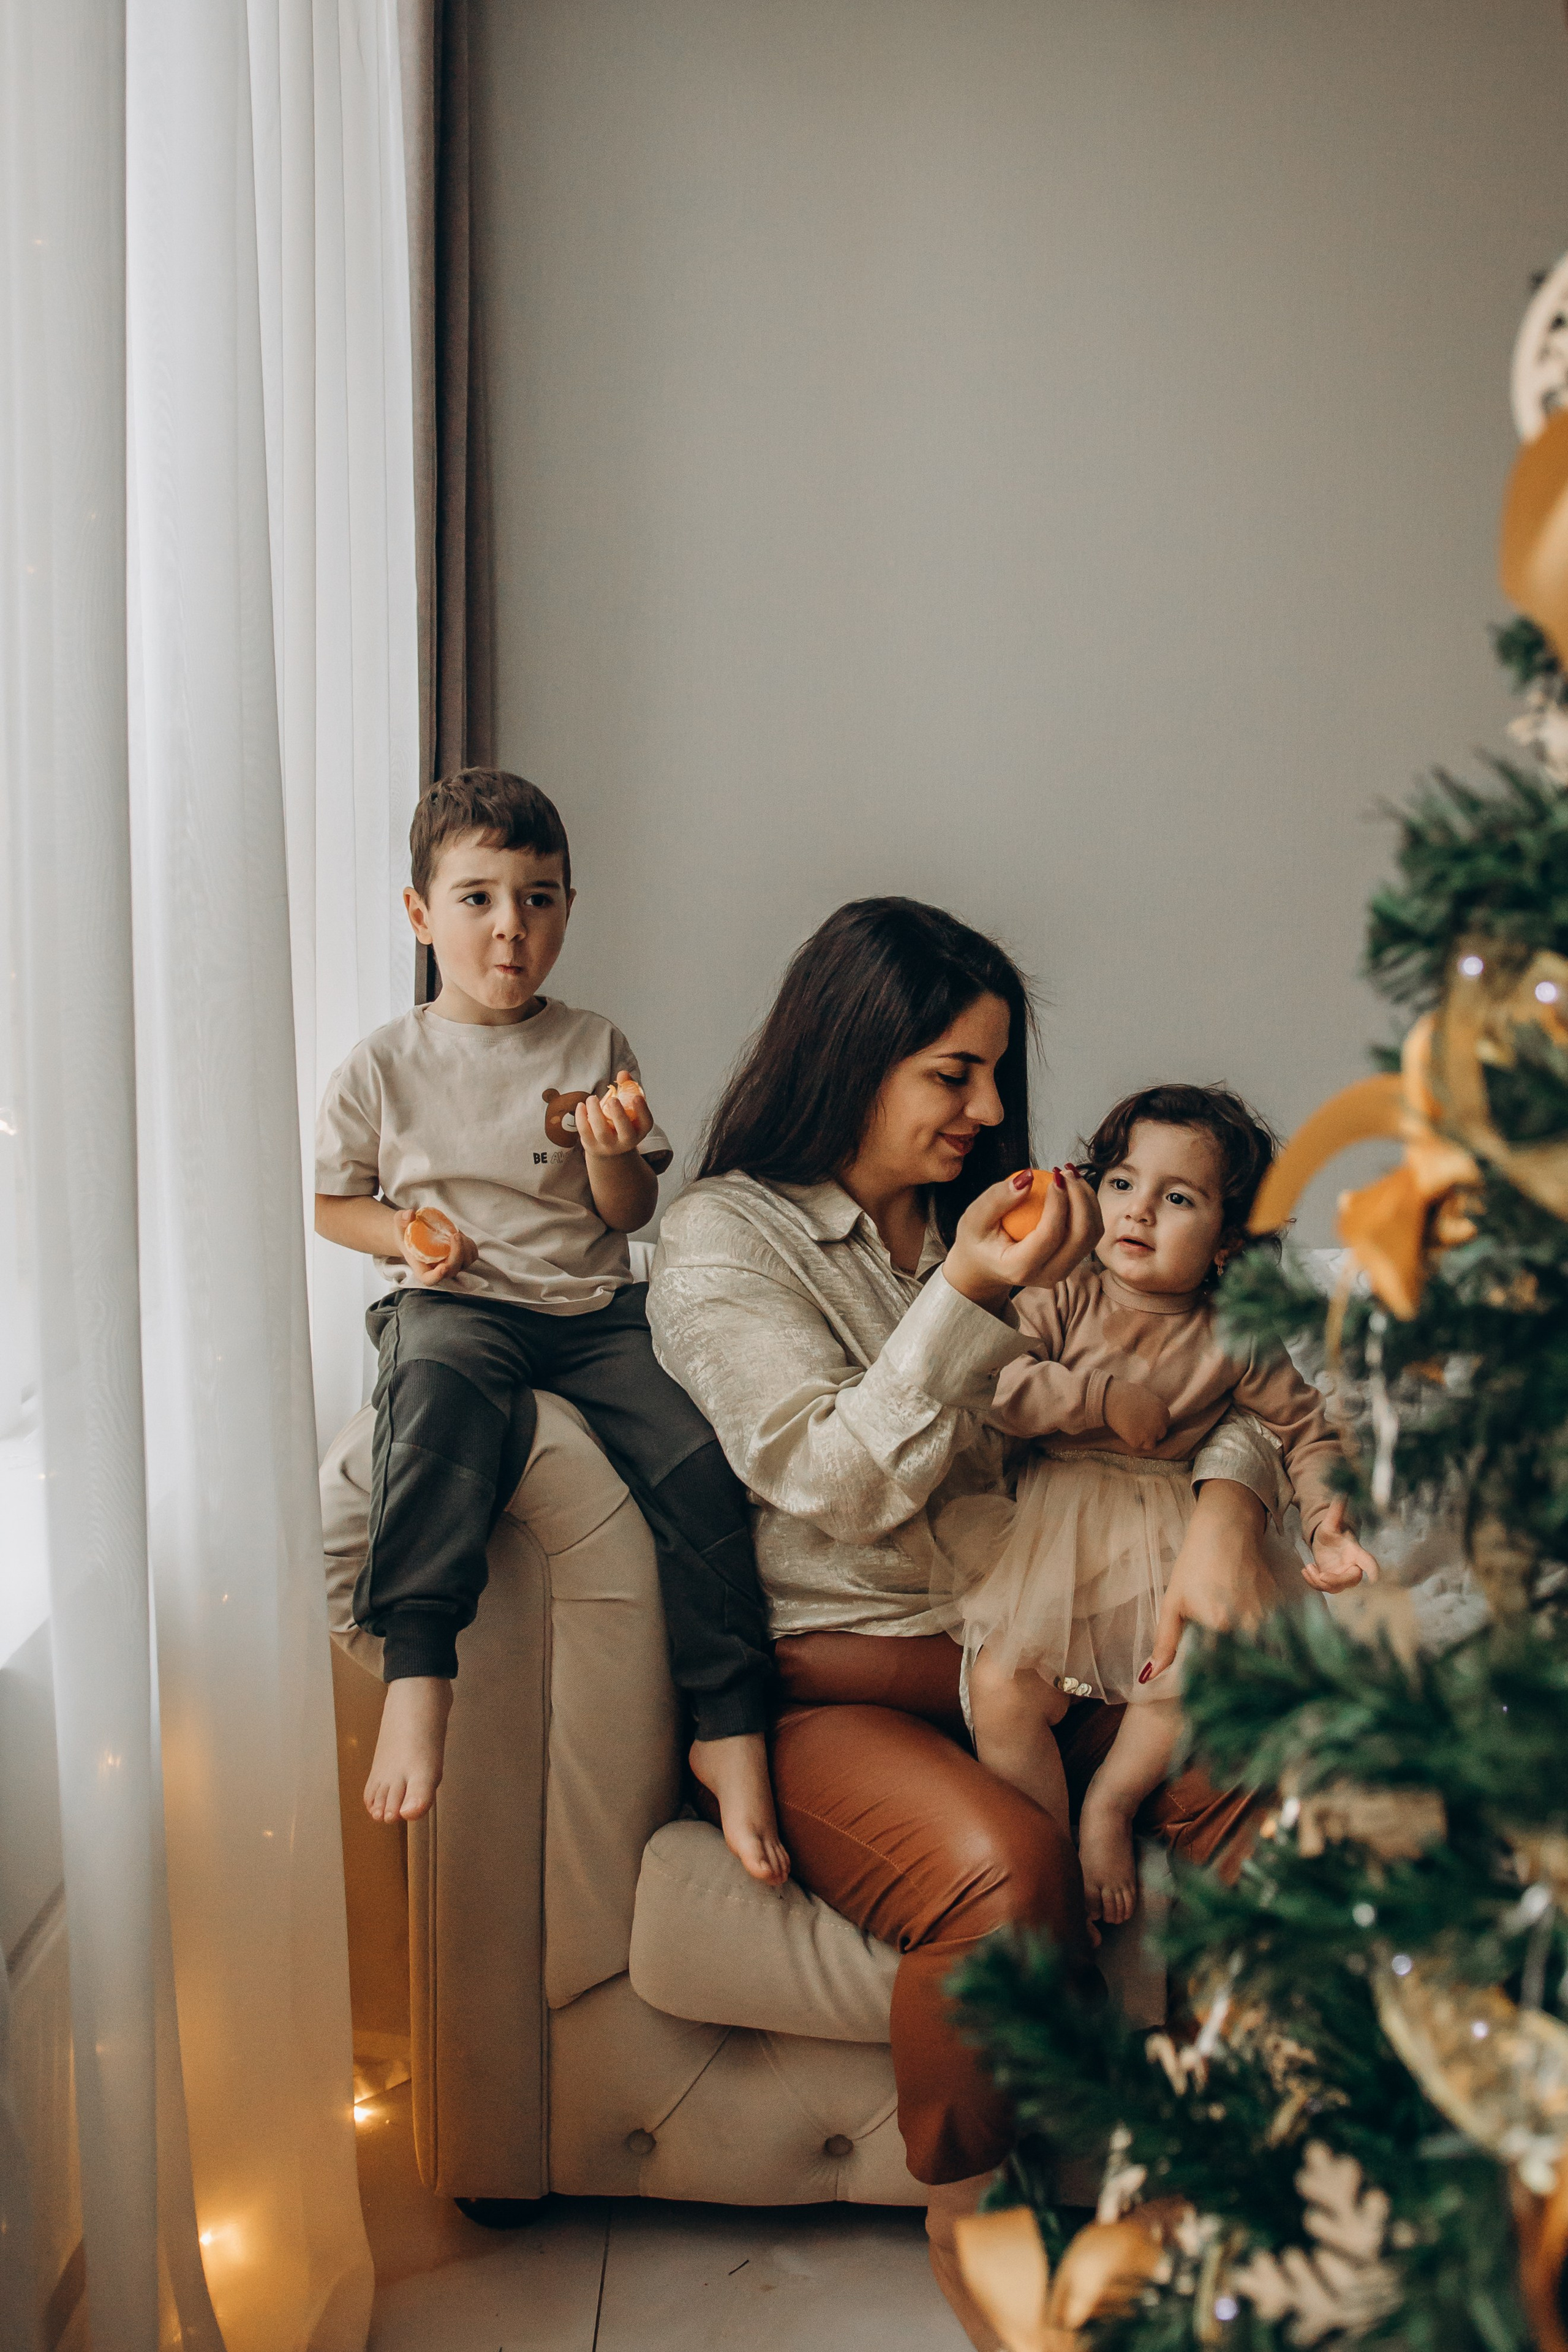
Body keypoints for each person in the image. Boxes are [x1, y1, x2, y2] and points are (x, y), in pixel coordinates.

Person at [646, 899, 1291, 2350]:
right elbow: (829, 1480)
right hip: (849, 1676)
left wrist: (1229, 1502)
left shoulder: (1014, 1212)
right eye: (954, 1072)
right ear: (855, 1055)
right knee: (1000, 1869)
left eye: (997, 1072)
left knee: (1303, 1778)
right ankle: (976, 2227)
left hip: (1053, 1636)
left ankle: (1232, 2178)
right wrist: (963, 1292)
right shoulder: (721, 1239)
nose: (992, 1107)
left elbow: (1210, 1360)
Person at [314, 767, 783, 1877]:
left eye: (539, 898)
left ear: (569, 911)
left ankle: (729, 1724)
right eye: (477, 898)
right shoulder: (384, 1064)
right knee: (431, 1399)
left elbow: (629, 1216)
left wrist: (613, 1155)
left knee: (700, 1457)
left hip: (590, 1307)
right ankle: (420, 1666)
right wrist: (409, 1239)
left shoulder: (594, 1044)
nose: (510, 928)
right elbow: (337, 1204)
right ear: (422, 915)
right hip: (458, 1303)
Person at [961, 1084, 1378, 1930]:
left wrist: (1330, 1522)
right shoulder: (1062, 1294)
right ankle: (1042, 1845)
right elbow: (994, 1384)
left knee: (1184, 1678)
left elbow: (1308, 1431)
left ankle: (1109, 1805)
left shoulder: (1233, 1334)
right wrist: (1096, 1398)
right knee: (1001, 1687)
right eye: (1122, 1183)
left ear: (1227, 1241)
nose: (1138, 1211)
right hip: (1053, 1530)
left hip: (1169, 1534)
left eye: (1177, 1198)